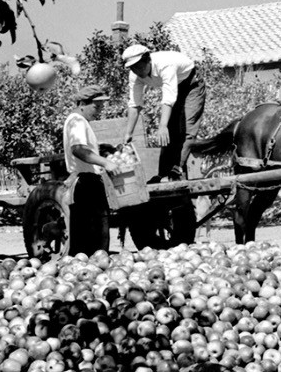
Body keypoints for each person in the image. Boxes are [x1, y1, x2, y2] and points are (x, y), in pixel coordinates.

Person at [121, 44, 206, 181]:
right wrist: (128, 133)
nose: (137, 70)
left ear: (148, 60)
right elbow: (135, 104)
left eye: (139, 66)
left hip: (191, 85)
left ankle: (177, 169)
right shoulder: (134, 75)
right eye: (133, 67)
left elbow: (168, 98)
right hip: (175, 87)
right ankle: (163, 173)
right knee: (170, 132)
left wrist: (162, 126)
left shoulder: (165, 65)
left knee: (187, 129)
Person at [63, 85, 119, 253]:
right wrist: (105, 162)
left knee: (88, 237)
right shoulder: (77, 121)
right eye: (96, 106)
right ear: (82, 103)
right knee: (93, 239)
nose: (99, 111)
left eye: (101, 107)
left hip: (87, 182)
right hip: (87, 184)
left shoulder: (79, 122)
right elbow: (78, 149)